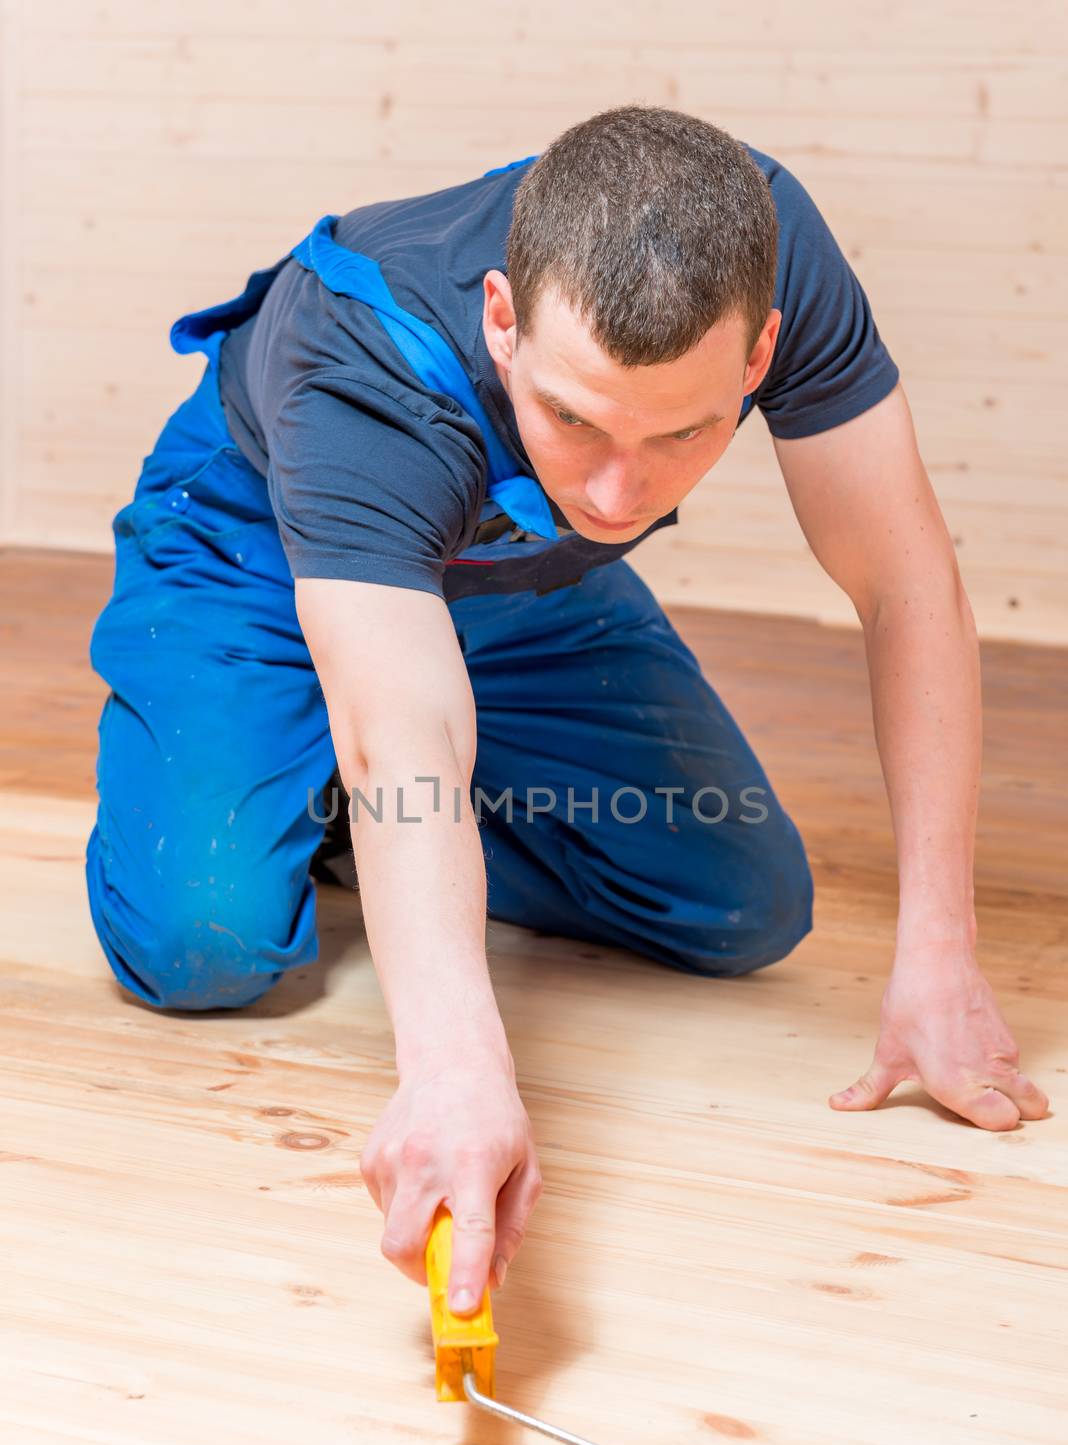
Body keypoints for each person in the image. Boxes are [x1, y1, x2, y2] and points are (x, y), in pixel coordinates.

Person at [85, 104, 1048, 1317]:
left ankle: (351, 827)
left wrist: (940, 954)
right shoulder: (365, 363)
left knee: (742, 905)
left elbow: (905, 583)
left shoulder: (766, 246)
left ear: (757, 357)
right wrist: (456, 1070)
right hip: (267, 550)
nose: (614, 490)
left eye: (680, 435)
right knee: (205, 941)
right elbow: (406, 734)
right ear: (502, 318)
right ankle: (310, 797)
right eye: (573, 418)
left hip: (505, 577)